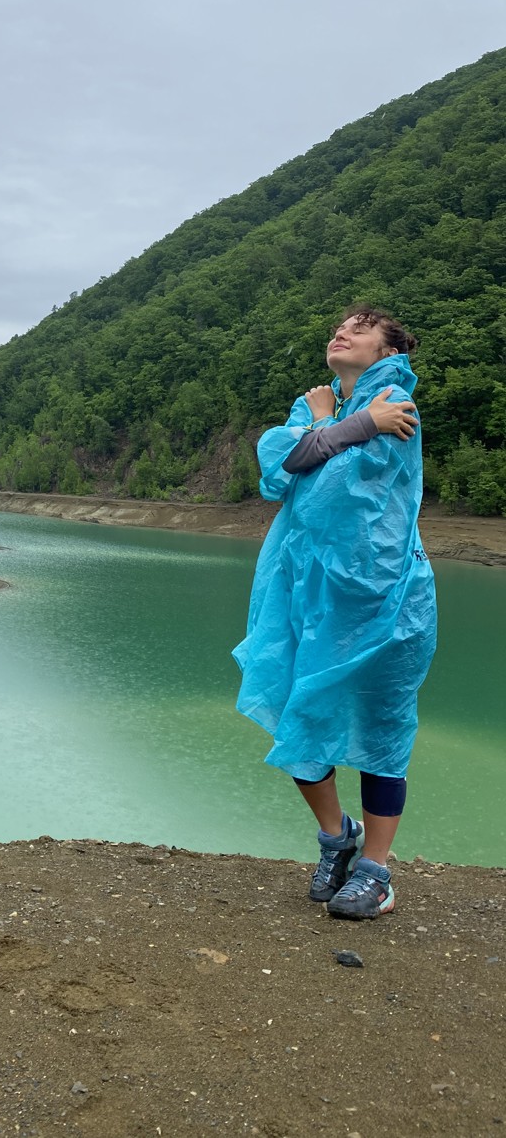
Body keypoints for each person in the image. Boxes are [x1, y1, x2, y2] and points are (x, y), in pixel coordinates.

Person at [233, 307, 437, 920]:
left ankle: (376, 869)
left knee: (379, 729)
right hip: (305, 596)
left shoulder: (397, 404)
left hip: (382, 599)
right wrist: (339, 423)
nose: (341, 332)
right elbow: (278, 466)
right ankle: (335, 837)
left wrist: (328, 433)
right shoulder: (324, 405)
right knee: (299, 711)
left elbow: (327, 493)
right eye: (339, 325)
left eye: (361, 326)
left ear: (387, 348)